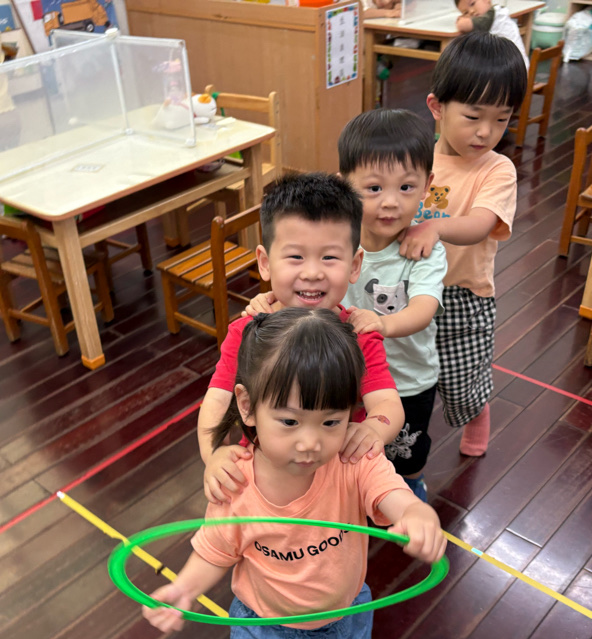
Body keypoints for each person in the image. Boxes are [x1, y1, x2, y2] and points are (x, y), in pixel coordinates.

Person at [143, 308, 447, 639]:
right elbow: (214, 550)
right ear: (247, 406)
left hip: (343, 619)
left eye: (331, 422)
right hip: (267, 632)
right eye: (289, 422)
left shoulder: (353, 461)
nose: (310, 443)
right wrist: (184, 588)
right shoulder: (236, 485)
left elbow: (390, 493)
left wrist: (414, 511)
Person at [199, 173, 405, 505]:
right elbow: (217, 400)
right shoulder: (247, 330)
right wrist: (214, 455)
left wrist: (373, 429)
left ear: (355, 265)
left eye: (329, 257)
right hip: (262, 476)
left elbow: (388, 404)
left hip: (337, 474)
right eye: (295, 257)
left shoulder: (359, 335)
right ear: (265, 263)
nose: (312, 273)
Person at [400, 32, 527, 458]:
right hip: (409, 287)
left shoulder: (497, 169)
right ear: (437, 107)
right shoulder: (415, 157)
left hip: (462, 295)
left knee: (461, 380)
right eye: (473, 116)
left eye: (502, 119)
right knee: (404, 372)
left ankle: (476, 417)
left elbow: (480, 224)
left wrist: (433, 228)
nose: (486, 132)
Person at [339, 109, 447, 502]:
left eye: (405, 187)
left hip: (409, 379)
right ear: (344, 185)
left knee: (407, 454)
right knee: (354, 447)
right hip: (352, 379)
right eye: (373, 188)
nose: (390, 203)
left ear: (427, 186)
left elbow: (424, 308)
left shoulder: (423, 251)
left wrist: (384, 325)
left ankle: (412, 487)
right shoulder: (339, 241)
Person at [454, 0, 530, 69]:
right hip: (514, 65)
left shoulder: (491, 15)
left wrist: (461, 21)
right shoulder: (495, 13)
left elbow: (464, 25)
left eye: (472, 4)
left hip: (513, 68)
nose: (471, 11)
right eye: (466, 12)